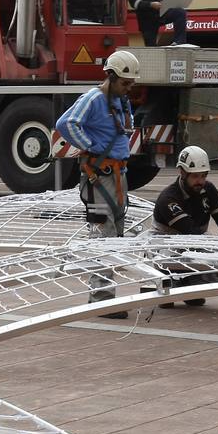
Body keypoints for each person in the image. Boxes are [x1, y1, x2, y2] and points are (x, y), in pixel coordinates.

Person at [56, 49, 140, 319]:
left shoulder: (120, 101)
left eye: (131, 84)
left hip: (117, 175)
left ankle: (104, 295)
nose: (128, 88)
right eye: (125, 83)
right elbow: (66, 123)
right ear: (111, 76)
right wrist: (90, 146)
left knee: (115, 236)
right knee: (103, 236)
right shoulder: (93, 98)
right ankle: (102, 298)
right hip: (99, 176)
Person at [151, 145, 218, 308]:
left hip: (195, 243)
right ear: (182, 173)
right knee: (172, 273)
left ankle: (191, 282)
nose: (200, 181)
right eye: (195, 176)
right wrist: (217, 249)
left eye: (204, 176)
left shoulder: (208, 189)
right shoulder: (169, 198)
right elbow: (189, 231)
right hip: (167, 247)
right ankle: (172, 282)